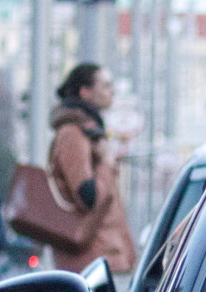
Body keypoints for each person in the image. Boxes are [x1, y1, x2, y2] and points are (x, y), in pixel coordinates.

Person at [45, 63, 137, 276]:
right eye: (105, 86)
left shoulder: (90, 132)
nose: (111, 92)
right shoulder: (73, 134)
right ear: (85, 92)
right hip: (92, 264)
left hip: (104, 259)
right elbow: (88, 198)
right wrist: (106, 162)